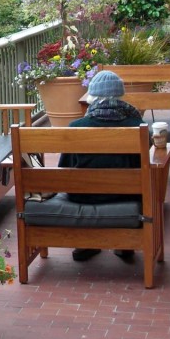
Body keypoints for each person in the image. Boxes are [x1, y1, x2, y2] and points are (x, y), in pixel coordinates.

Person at [63, 70, 144, 263]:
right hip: (126, 194)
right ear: (120, 95)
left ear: (93, 98)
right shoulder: (137, 125)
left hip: (83, 196)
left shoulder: (76, 127)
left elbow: (64, 168)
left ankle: (85, 243)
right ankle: (125, 244)